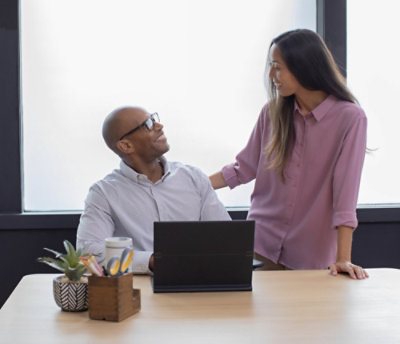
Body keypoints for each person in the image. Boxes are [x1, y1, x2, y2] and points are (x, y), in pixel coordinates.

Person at [209, 29, 368, 279]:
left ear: (303, 66)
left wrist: (343, 259)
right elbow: (244, 168)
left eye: (277, 67)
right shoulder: (272, 112)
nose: (271, 76)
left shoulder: (350, 118)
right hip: (260, 247)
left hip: (311, 256)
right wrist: (190, 185)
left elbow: (345, 194)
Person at [77, 106, 230, 273]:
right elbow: (88, 252)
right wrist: (151, 261)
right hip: (139, 290)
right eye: (148, 124)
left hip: (199, 281)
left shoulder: (194, 178)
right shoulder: (103, 193)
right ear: (126, 146)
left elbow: (227, 237)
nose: (159, 126)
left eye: (154, 119)